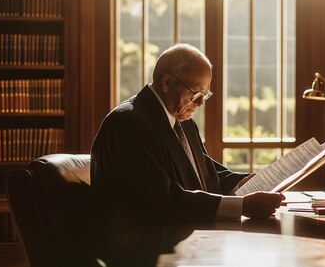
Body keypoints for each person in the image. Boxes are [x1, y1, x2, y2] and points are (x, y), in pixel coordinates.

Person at [90, 43, 284, 224]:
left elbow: (206, 174)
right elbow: (161, 198)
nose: (201, 103)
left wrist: (244, 182)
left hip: (187, 233)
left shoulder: (182, 121)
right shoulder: (127, 122)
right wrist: (242, 206)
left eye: (205, 95)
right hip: (143, 246)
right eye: (196, 93)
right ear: (167, 83)